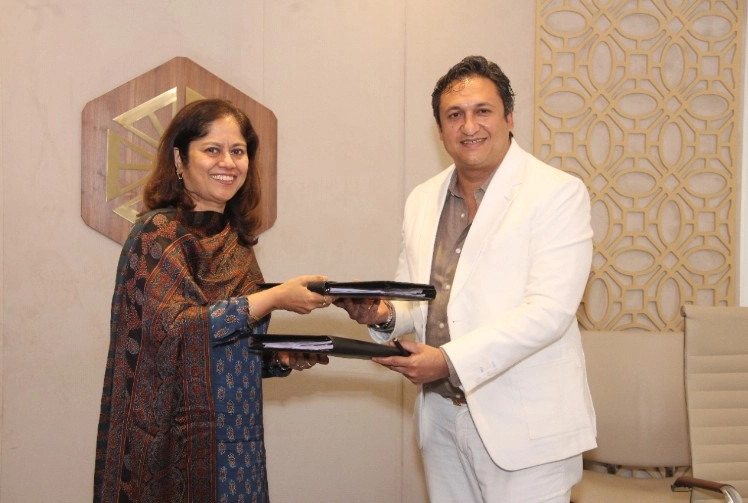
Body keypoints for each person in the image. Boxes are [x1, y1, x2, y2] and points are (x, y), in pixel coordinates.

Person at [335, 56, 596, 503]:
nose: (469, 126)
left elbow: (549, 312)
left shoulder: (557, 193)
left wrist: (448, 361)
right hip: (439, 419)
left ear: (509, 118)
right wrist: (382, 314)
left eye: (483, 111)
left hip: (525, 427)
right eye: (454, 115)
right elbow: (416, 297)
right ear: (440, 130)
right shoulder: (422, 199)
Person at [93, 98, 331, 503]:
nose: (228, 162)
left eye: (238, 151)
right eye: (212, 149)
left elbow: (226, 348)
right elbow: (172, 332)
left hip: (236, 442)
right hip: (165, 444)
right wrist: (273, 299)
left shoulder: (235, 242)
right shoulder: (156, 236)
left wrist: (279, 357)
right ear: (179, 160)